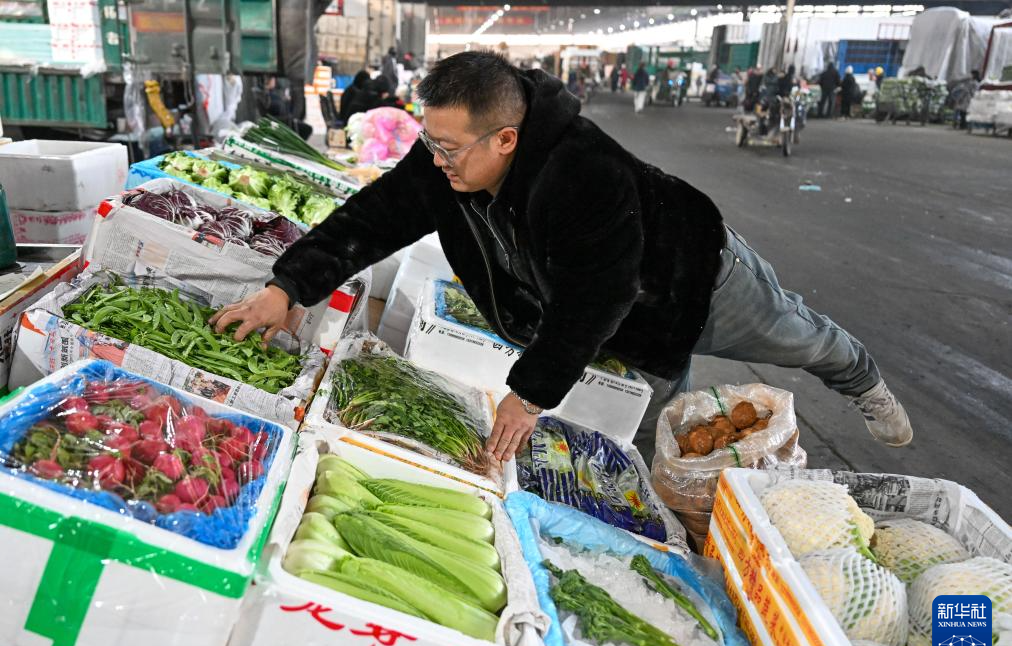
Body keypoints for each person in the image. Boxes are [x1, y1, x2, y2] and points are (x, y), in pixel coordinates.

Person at [210, 51, 913, 464]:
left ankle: (861, 375)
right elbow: (372, 217)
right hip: (618, 316)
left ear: (506, 140)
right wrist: (288, 287)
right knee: (641, 432)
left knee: (800, 339)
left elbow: (597, 293)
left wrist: (531, 391)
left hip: (695, 276)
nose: (436, 160)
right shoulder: (447, 159)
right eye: (432, 142)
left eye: (451, 149)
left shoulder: (582, 175)